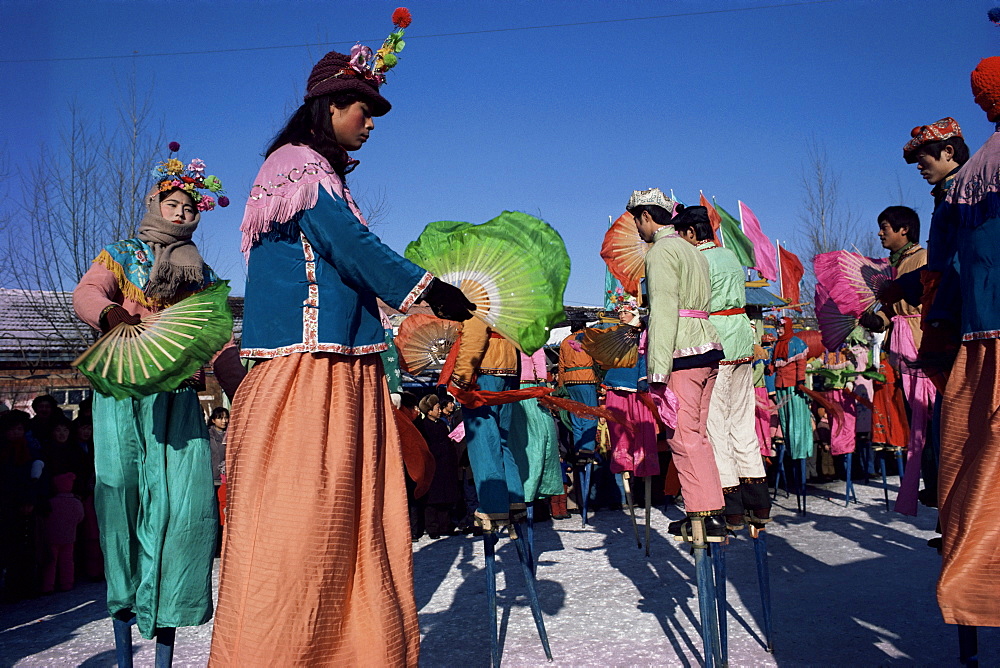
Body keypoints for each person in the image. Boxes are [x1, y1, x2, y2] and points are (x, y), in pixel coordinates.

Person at [209, 15, 475, 665]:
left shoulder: (326, 178)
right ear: (330, 106)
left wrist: (405, 321)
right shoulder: (297, 167)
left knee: (353, 531)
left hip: (344, 373)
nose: (372, 121)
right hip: (304, 375)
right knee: (299, 534)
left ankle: (353, 651)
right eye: (365, 107)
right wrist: (425, 287)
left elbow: (342, 275)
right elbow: (348, 247)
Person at [73, 145, 245, 666]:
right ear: (154, 203)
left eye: (192, 208)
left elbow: (218, 343)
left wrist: (245, 389)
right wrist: (107, 316)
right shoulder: (120, 254)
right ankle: (125, 630)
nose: (184, 213)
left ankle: (167, 637)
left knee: (186, 513)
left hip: (176, 404)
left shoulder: (201, 274)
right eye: (174, 204)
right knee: (121, 497)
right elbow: (88, 291)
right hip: (123, 395)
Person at [923, 56, 1000, 628]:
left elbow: (949, 266)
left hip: (976, 332)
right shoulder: (971, 179)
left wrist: (939, 322)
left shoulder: (972, 180)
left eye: (928, 158)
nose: (925, 167)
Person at [628, 189, 726, 538]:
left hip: (681, 351)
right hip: (706, 344)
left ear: (646, 216)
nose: (637, 227)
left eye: (636, 219)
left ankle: (704, 512)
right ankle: (710, 507)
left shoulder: (660, 252)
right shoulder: (693, 250)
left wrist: (656, 370)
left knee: (683, 437)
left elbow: (666, 310)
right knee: (697, 434)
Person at [673, 207, 771, 531]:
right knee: (742, 425)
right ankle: (758, 504)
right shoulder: (729, 256)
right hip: (743, 338)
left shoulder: (696, 260)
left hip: (717, 340)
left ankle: (731, 509)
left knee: (717, 427)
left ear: (690, 232)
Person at [415, 394, 460, 538]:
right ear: (429, 411)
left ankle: (445, 526)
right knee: (432, 501)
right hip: (433, 467)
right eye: (437, 408)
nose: (439, 410)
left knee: (445, 499)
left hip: (445, 467)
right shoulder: (423, 426)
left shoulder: (441, 424)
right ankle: (433, 528)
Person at [41, 471, 84, 594]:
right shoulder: (76, 502)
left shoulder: (51, 503)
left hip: (52, 537)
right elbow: (80, 517)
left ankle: (48, 586)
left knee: (51, 562)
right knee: (67, 561)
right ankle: (67, 583)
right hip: (70, 536)